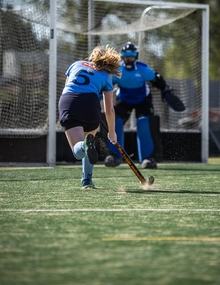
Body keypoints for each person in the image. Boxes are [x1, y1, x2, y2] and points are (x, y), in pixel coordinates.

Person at [104, 41, 184, 169]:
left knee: (144, 123)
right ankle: (114, 155)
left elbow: (156, 79)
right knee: (114, 120)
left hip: (143, 100)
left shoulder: (143, 68)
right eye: (125, 56)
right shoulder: (117, 69)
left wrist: (166, 90)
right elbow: (107, 84)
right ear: (122, 56)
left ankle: (149, 158)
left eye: (131, 56)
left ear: (136, 56)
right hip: (123, 99)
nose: (128, 59)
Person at [58, 45, 122, 189]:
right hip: (91, 105)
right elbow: (109, 110)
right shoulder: (106, 77)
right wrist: (111, 132)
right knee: (88, 143)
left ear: (93, 56)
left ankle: (84, 146)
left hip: (69, 101)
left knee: (78, 150)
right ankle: (87, 180)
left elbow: (67, 87)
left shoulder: (76, 64)